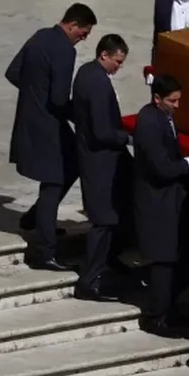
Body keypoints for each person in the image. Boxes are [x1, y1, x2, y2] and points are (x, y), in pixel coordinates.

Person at [6, 3, 97, 271]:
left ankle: (36, 218)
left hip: (30, 119)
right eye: (83, 33)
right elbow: (58, 98)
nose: (83, 39)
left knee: (72, 164)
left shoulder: (39, 36)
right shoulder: (64, 50)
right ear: (72, 25)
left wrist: (34, 93)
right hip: (48, 126)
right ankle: (45, 251)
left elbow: (13, 72)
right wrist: (83, 116)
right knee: (54, 182)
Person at [132, 74, 189, 338]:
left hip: (171, 201)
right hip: (157, 203)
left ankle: (169, 309)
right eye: (172, 101)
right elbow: (161, 167)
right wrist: (186, 165)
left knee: (180, 258)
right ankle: (156, 317)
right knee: (163, 261)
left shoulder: (164, 116)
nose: (177, 105)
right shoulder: (149, 122)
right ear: (157, 98)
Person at [71, 33, 130, 302]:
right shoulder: (97, 83)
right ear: (104, 55)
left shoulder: (87, 73)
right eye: (117, 61)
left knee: (110, 218)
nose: (119, 66)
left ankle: (105, 265)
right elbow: (102, 131)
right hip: (100, 162)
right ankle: (90, 279)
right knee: (103, 221)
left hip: (95, 158)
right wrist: (127, 137)